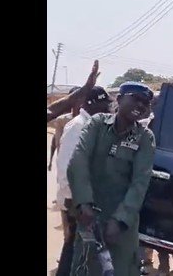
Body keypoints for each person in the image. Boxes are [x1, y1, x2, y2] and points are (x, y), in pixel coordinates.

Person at [67, 81, 156, 276]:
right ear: (119, 99)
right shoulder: (97, 124)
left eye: (145, 103)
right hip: (90, 219)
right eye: (136, 99)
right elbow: (78, 161)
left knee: (120, 269)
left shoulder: (144, 138)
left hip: (122, 228)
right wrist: (83, 203)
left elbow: (140, 183)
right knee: (84, 268)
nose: (141, 106)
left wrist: (120, 221)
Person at [54, 86, 112, 276]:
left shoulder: (94, 126)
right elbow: (65, 169)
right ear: (92, 104)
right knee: (74, 249)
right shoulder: (77, 127)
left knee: (79, 250)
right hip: (76, 202)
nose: (109, 110)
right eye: (105, 106)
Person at [48, 86, 81, 171]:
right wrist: (51, 160)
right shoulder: (63, 120)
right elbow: (55, 142)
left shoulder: (89, 119)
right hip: (65, 165)